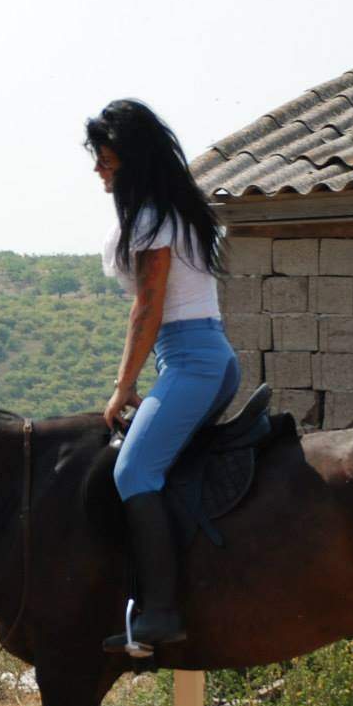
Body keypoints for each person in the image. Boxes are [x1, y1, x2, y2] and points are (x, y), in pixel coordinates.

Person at [86, 99, 240, 655]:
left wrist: (124, 385)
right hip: (203, 358)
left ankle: (162, 613)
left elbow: (148, 307)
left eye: (103, 157)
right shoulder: (172, 209)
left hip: (192, 361)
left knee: (133, 472)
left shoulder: (152, 218)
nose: (97, 168)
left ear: (127, 157)